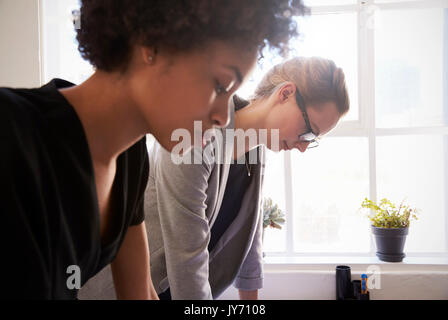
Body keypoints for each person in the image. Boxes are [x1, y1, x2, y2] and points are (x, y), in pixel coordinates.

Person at [0, 0, 308, 299]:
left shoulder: (130, 161)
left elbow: (139, 293)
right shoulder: (14, 131)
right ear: (153, 44)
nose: (223, 116)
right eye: (219, 85)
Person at [146, 56, 350, 300]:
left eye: (312, 141)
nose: (303, 148)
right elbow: (186, 258)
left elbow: (250, 237)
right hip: (139, 288)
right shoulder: (196, 132)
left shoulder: (256, 150)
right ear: (285, 94)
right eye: (308, 133)